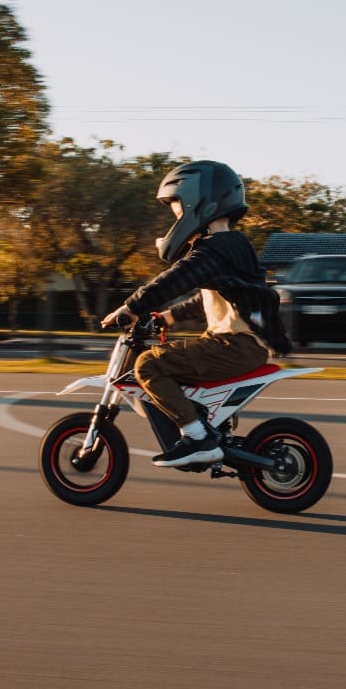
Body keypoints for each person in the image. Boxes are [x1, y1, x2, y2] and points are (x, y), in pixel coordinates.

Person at [101, 160, 292, 468]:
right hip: (237, 345)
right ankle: (207, 427)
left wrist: (132, 306)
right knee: (171, 359)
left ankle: (197, 436)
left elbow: (178, 277)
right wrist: (166, 317)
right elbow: (206, 299)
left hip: (235, 347)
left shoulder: (219, 246)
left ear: (197, 201)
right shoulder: (225, 249)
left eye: (176, 205)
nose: (175, 215)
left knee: (148, 364)